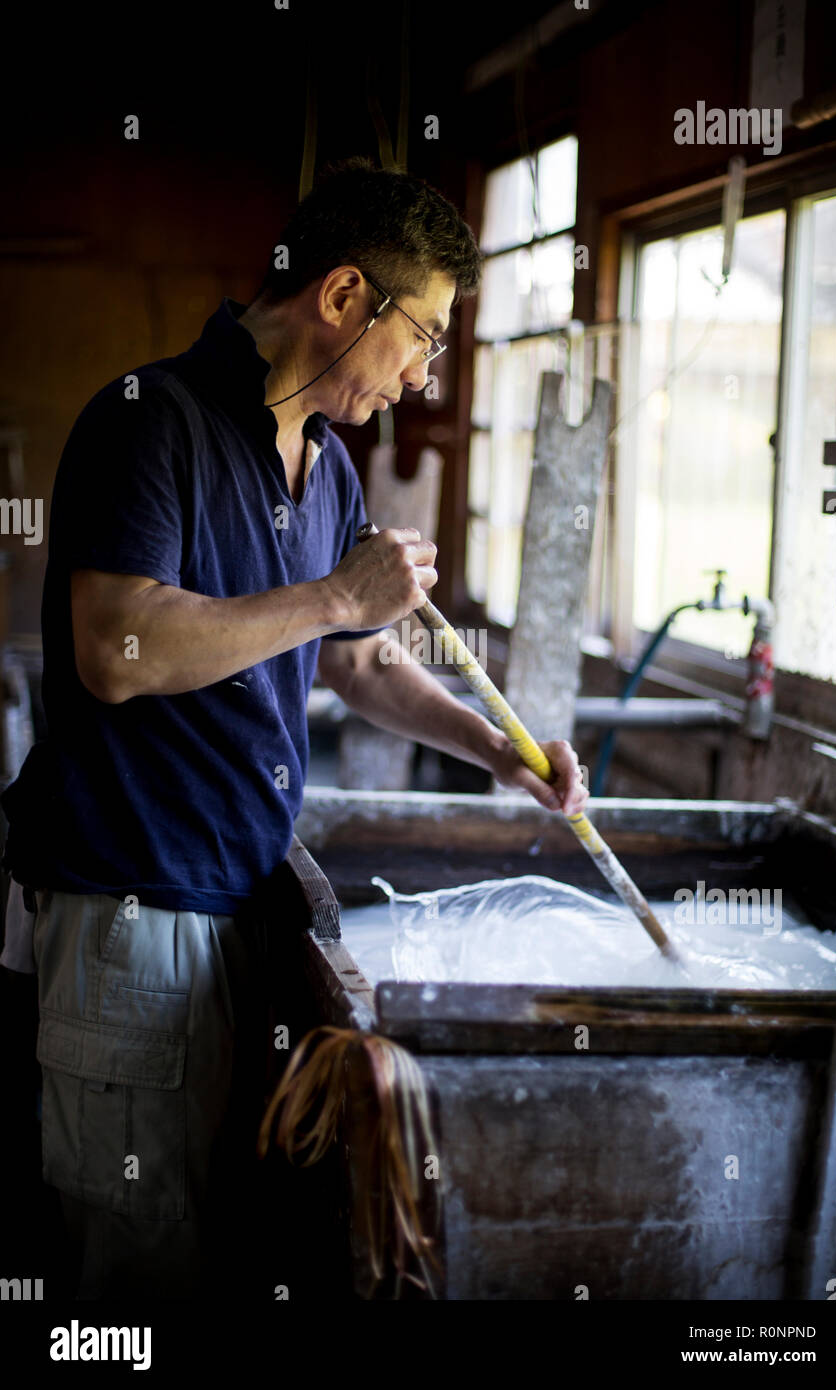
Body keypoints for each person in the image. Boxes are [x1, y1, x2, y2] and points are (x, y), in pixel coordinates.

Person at [0, 156, 588, 1299]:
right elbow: (115, 649)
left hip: (239, 900)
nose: (422, 377)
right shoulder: (149, 423)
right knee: (137, 1257)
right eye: (422, 336)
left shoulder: (324, 467)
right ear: (340, 296)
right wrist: (331, 598)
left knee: (215, 1241)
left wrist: (501, 753)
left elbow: (360, 665)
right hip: (137, 906)